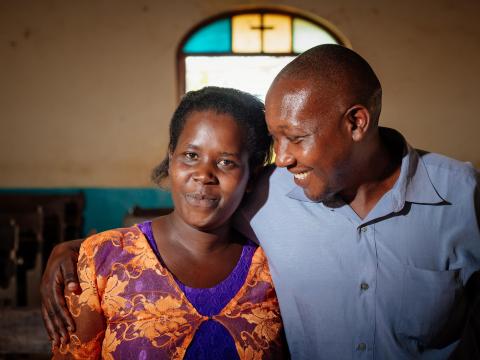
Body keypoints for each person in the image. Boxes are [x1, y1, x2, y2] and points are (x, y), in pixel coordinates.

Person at [42, 45, 480, 359]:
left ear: (357, 122)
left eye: (296, 138)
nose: (284, 157)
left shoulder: (462, 197)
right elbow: (188, 222)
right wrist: (73, 251)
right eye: (275, 139)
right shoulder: (278, 190)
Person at [49, 86, 288, 359]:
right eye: (191, 156)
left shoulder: (274, 269)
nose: (203, 174)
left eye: (226, 162)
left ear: (252, 177)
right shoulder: (101, 260)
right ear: (172, 156)